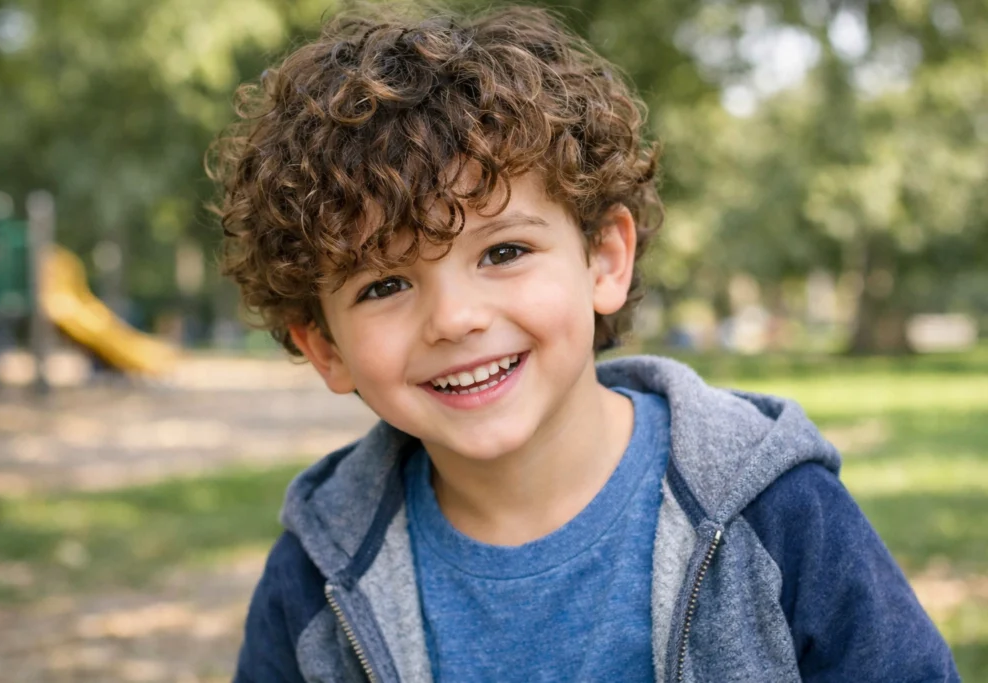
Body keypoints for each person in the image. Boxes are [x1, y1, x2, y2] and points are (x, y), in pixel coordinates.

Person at [211, 5, 959, 682]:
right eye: (383, 285)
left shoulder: (776, 509)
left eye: (502, 251)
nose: (455, 319)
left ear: (604, 258)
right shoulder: (317, 573)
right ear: (326, 348)